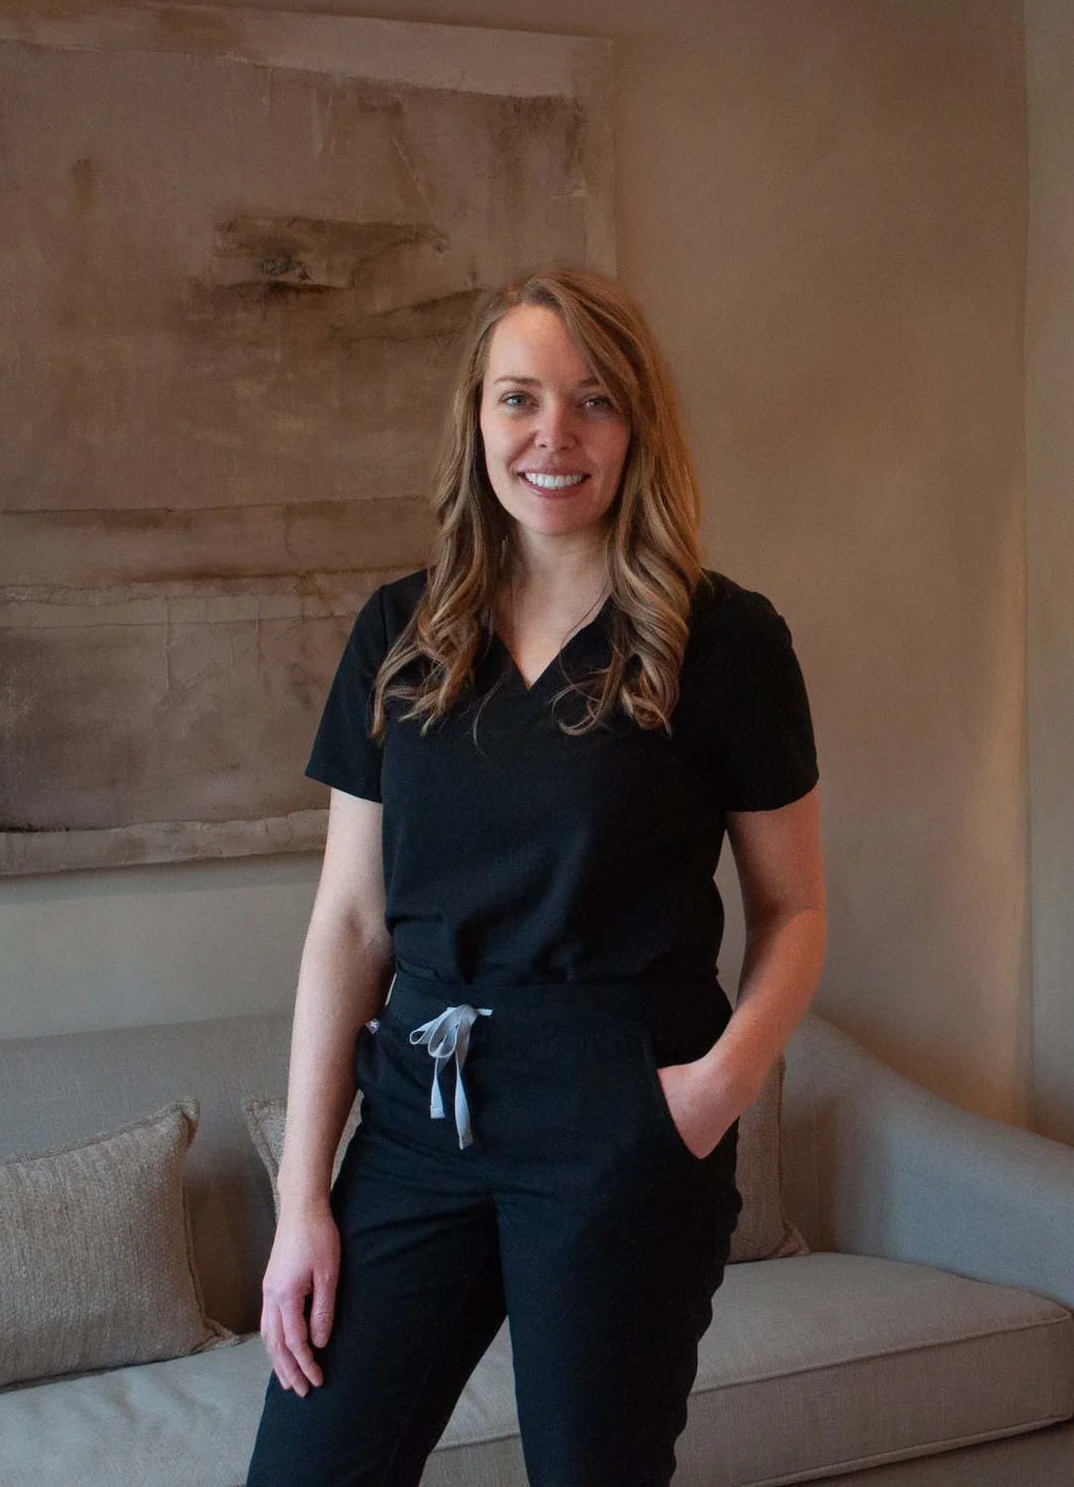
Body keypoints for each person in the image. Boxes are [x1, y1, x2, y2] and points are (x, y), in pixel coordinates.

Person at [244, 268, 825, 1487]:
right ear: (476, 418)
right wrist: (304, 1202)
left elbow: (794, 910)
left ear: (635, 428)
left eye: (592, 401)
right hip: (417, 1114)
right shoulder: (401, 633)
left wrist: (710, 1094)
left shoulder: (723, 642)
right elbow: (348, 925)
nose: (551, 436)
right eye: (519, 399)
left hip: (619, 1121)